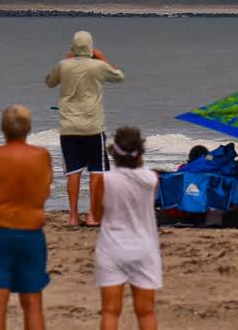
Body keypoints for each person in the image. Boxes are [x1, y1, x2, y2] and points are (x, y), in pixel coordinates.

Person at [0, 105, 53, 330]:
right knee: (32, 302)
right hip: (30, 232)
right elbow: (45, 189)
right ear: (28, 129)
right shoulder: (41, 156)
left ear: (3, 128)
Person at [46, 30, 125, 226]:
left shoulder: (63, 65)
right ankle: (92, 215)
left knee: (73, 172)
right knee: (97, 171)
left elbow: (50, 82)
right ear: (90, 46)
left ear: (73, 47)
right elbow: (119, 76)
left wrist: (65, 60)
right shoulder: (97, 66)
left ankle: (73, 216)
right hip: (93, 127)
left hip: (68, 126)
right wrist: (102, 57)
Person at [91, 126, 162, 330]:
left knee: (110, 311)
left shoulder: (104, 180)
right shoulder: (151, 179)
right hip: (144, 248)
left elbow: (96, 215)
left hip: (112, 247)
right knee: (146, 311)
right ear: (141, 150)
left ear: (114, 151)